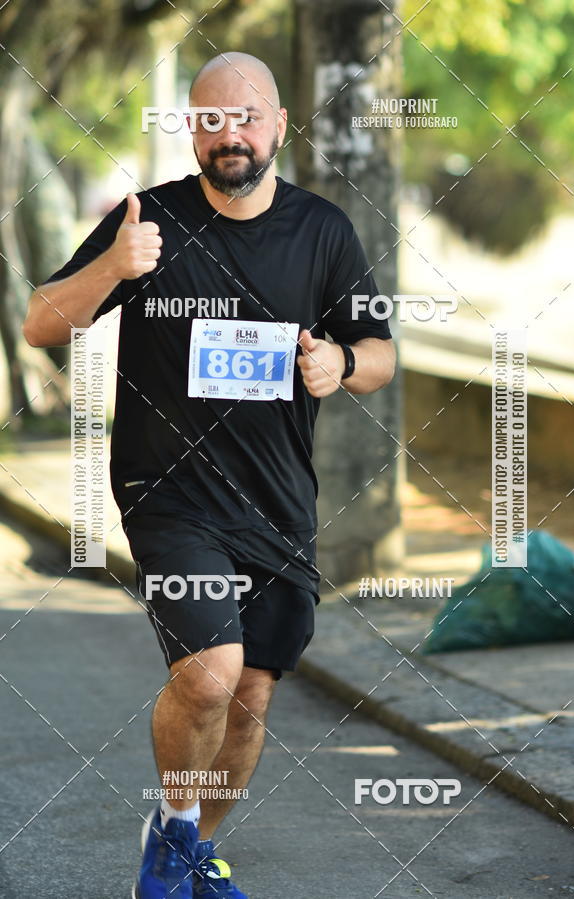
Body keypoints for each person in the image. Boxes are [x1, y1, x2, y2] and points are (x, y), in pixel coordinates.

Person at [23, 51, 396, 899]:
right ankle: (175, 843)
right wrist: (114, 267)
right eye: (212, 119)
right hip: (168, 492)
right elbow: (42, 322)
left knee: (253, 696)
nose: (231, 135)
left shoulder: (324, 231)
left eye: (248, 118)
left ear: (278, 127)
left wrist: (339, 361)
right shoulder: (143, 220)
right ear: (191, 126)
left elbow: (380, 353)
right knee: (210, 671)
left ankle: (184, 837)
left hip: (277, 498)